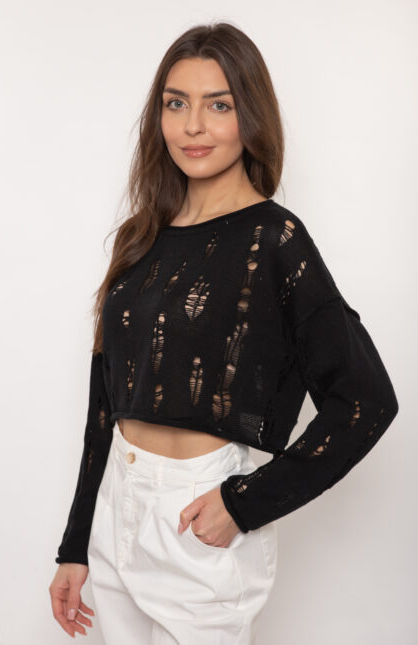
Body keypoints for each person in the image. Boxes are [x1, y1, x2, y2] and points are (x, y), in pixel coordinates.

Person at [49, 21, 399, 644]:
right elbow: (105, 405)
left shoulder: (275, 241)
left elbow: (365, 401)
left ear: (251, 116)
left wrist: (245, 503)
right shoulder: (139, 240)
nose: (192, 126)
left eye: (219, 105)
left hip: (198, 518)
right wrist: (75, 544)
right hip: (117, 507)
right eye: (175, 103)